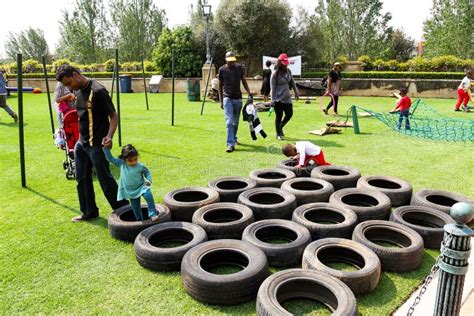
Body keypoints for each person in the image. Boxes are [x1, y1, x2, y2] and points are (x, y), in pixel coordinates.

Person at [55, 65, 128, 222]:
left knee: (105, 179)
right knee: (81, 178)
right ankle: (89, 212)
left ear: (75, 75)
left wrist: (109, 136)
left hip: (97, 144)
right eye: (66, 85)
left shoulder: (98, 91)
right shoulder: (76, 91)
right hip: (82, 143)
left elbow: (113, 116)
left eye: (69, 83)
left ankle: (125, 211)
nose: (69, 88)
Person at [103, 144, 159, 222]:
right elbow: (110, 158)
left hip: (141, 186)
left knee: (149, 196)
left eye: (135, 159)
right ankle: (139, 221)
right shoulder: (121, 164)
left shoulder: (140, 166)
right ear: (124, 159)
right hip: (131, 190)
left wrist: (149, 180)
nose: (133, 162)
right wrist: (106, 148)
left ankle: (153, 214)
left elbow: (147, 173)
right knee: (136, 208)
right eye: (130, 160)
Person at [218, 51, 253, 153]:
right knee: (229, 122)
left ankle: (233, 137)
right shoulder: (222, 70)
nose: (231, 63)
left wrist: (249, 92)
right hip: (227, 98)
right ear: (226, 60)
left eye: (233, 61)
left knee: (235, 123)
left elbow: (243, 80)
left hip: (238, 99)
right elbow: (220, 86)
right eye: (229, 61)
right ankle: (230, 144)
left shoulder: (239, 68)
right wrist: (221, 101)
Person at [271, 53, 299, 141]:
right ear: (279, 63)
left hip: (287, 98)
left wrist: (296, 91)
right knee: (278, 117)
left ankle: (281, 126)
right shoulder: (275, 74)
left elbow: (293, 82)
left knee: (289, 114)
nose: (285, 64)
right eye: (283, 63)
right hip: (278, 99)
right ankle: (278, 133)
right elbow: (273, 88)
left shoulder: (288, 71)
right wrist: (272, 100)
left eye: (286, 63)